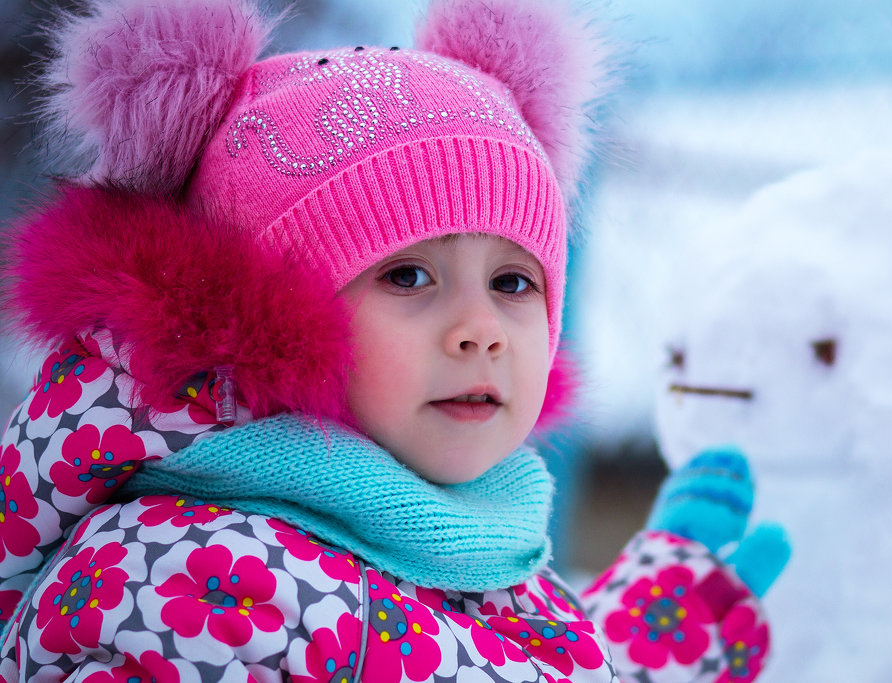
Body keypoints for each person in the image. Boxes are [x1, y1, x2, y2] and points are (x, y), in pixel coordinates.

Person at [0, 0, 790, 681]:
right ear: (271, 327)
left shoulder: (452, 553)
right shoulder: (196, 581)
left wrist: (632, 645)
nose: (480, 330)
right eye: (409, 277)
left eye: (513, 283)